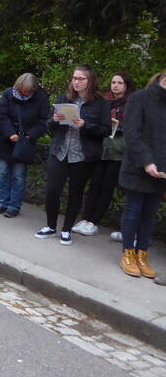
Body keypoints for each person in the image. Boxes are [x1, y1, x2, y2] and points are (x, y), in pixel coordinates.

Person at [35, 65, 111, 246]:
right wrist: (54, 121)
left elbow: (106, 130)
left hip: (83, 156)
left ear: (90, 81)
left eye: (81, 79)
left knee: (75, 193)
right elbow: (49, 125)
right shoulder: (65, 98)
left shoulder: (101, 103)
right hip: (60, 151)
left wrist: (86, 125)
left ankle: (67, 229)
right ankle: (51, 226)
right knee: (52, 190)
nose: (76, 82)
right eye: (74, 78)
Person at [73, 72, 136, 236]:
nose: (115, 85)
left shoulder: (132, 103)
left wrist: (118, 127)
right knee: (94, 184)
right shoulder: (104, 101)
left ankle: (94, 221)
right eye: (114, 82)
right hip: (102, 148)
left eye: (120, 83)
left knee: (107, 187)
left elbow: (134, 128)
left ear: (126, 85)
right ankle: (85, 218)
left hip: (118, 151)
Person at [117, 69, 166, 279]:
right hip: (139, 167)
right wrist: (147, 161)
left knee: (150, 214)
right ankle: (128, 253)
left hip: (161, 170)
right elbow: (132, 132)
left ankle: (142, 254)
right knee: (133, 211)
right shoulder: (140, 98)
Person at [0, 73, 50, 218]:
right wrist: (10, 133)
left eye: (29, 91)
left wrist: (30, 135)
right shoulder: (8, 94)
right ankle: (2, 202)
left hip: (25, 141)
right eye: (24, 90)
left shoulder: (41, 98)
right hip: (7, 139)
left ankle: (14, 205)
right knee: (3, 173)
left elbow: (43, 120)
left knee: (18, 175)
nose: (27, 93)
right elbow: (2, 115)